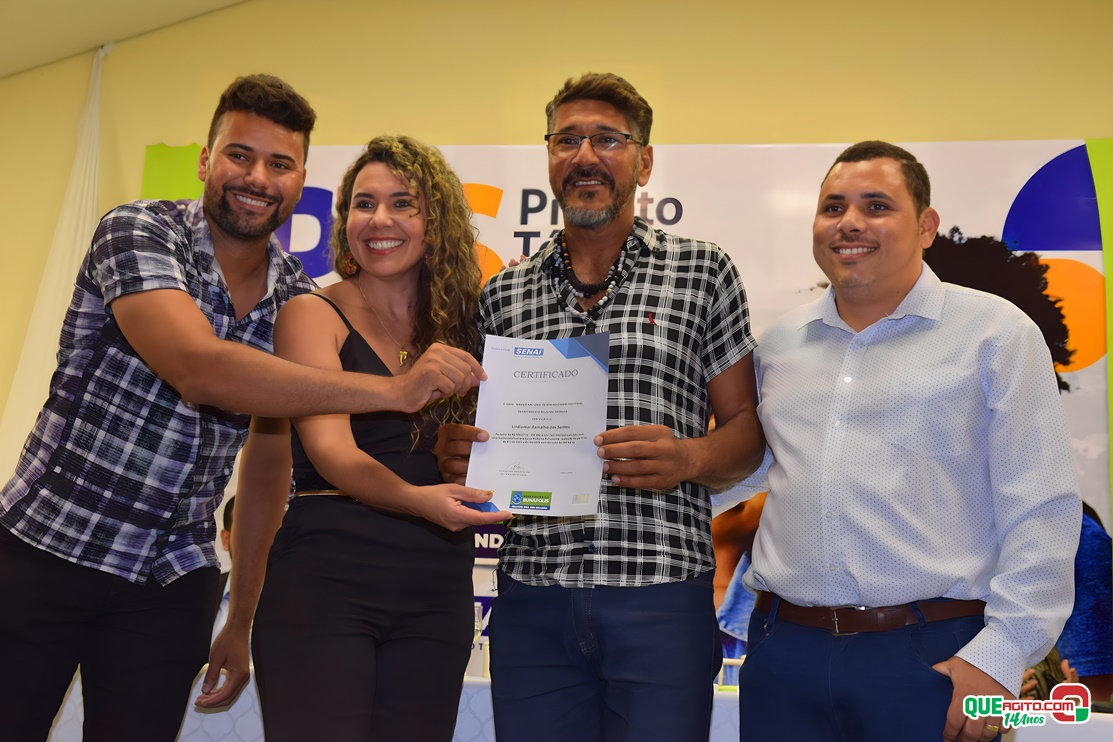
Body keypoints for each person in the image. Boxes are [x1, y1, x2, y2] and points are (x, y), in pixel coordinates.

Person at [0, 75, 484, 741]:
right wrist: (396, 391)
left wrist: (240, 618)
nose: (257, 177)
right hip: (47, 548)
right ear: (206, 160)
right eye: (239, 155)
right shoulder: (140, 230)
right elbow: (199, 370)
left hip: (171, 576)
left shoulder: (292, 293)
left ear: (301, 181)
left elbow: (267, 466)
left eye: (279, 164)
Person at [436, 72, 764, 741]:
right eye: (567, 140)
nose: (585, 155)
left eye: (608, 139)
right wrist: (460, 454)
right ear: (549, 157)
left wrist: (687, 458)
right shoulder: (503, 294)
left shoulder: (703, 270)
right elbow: (477, 441)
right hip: (533, 594)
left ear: (644, 162)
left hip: (661, 592)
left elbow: (747, 432)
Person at [733, 141, 1081, 742]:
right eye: (833, 207)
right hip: (782, 655)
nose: (850, 223)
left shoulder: (996, 334)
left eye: (877, 206)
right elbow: (744, 470)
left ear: (926, 226)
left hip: (935, 656)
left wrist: (1000, 656)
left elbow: (1042, 505)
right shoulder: (779, 346)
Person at [230, 135, 510, 742]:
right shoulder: (310, 314)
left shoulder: (470, 326)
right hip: (326, 581)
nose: (379, 219)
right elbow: (333, 453)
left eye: (402, 203)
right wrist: (419, 499)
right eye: (363, 204)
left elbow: (487, 445)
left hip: (437, 587)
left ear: (436, 222)